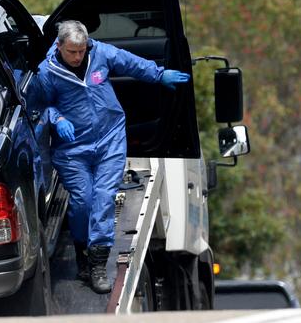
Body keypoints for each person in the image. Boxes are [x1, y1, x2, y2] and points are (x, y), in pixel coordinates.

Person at [33, 20, 189, 293]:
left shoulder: (100, 53)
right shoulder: (47, 73)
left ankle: (97, 265)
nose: (78, 57)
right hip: (72, 149)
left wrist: (158, 74)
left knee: (104, 199)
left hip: (110, 139)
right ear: (59, 47)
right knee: (83, 202)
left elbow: (130, 63)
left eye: (81, 51)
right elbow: (39, 106)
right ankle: (82, 252)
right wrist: (57, 119)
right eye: (72, 52)